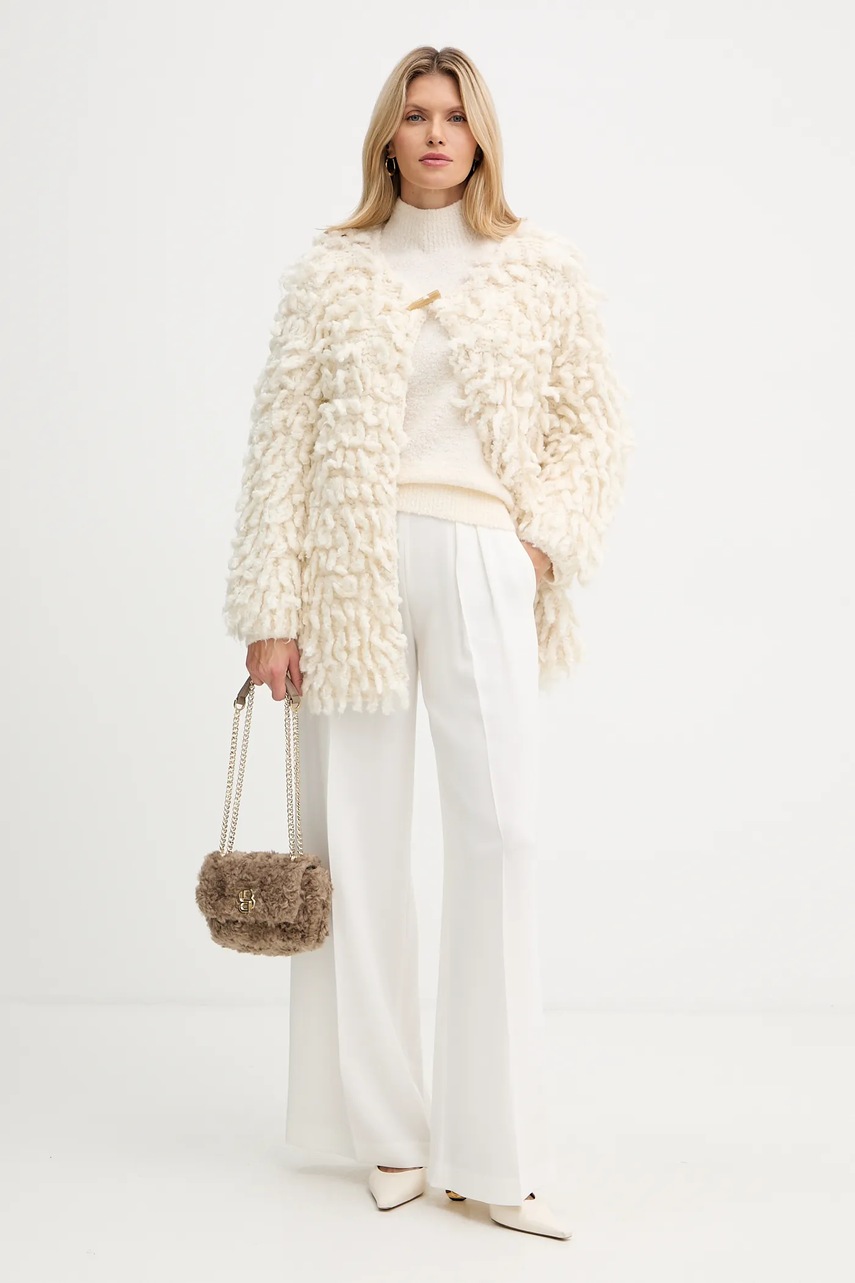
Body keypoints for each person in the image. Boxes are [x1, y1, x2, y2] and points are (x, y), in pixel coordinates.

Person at [222, 45, 632, 1240]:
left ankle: (496, 1151)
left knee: (500, 833)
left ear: (481, 132)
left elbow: (593, 427)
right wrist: (273, 608)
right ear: (388, 138)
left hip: (484, 557)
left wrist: (537, 545)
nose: (437, 131)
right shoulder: (333, 270)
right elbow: (279, 441)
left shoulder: (539, 265)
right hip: (351, 567)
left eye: (454, 113)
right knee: (361, 843)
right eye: (416, 114)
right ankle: (391, 1132)